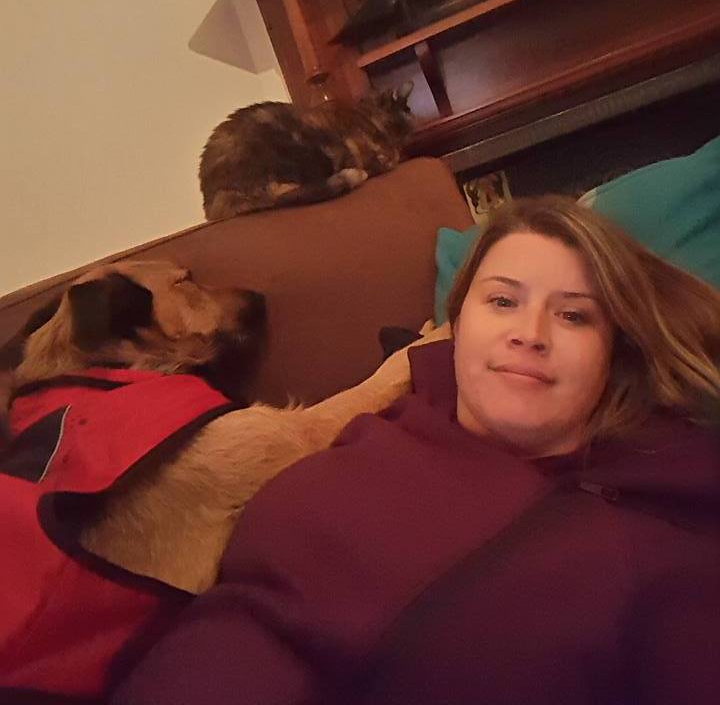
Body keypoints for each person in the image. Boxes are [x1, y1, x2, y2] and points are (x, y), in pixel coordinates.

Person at [113, 196, 720, 705]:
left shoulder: (664, 529)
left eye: (573, 316)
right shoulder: (381, 432)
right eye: (502, 301)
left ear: (615, 352)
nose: (529, 334)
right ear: (456, 325)